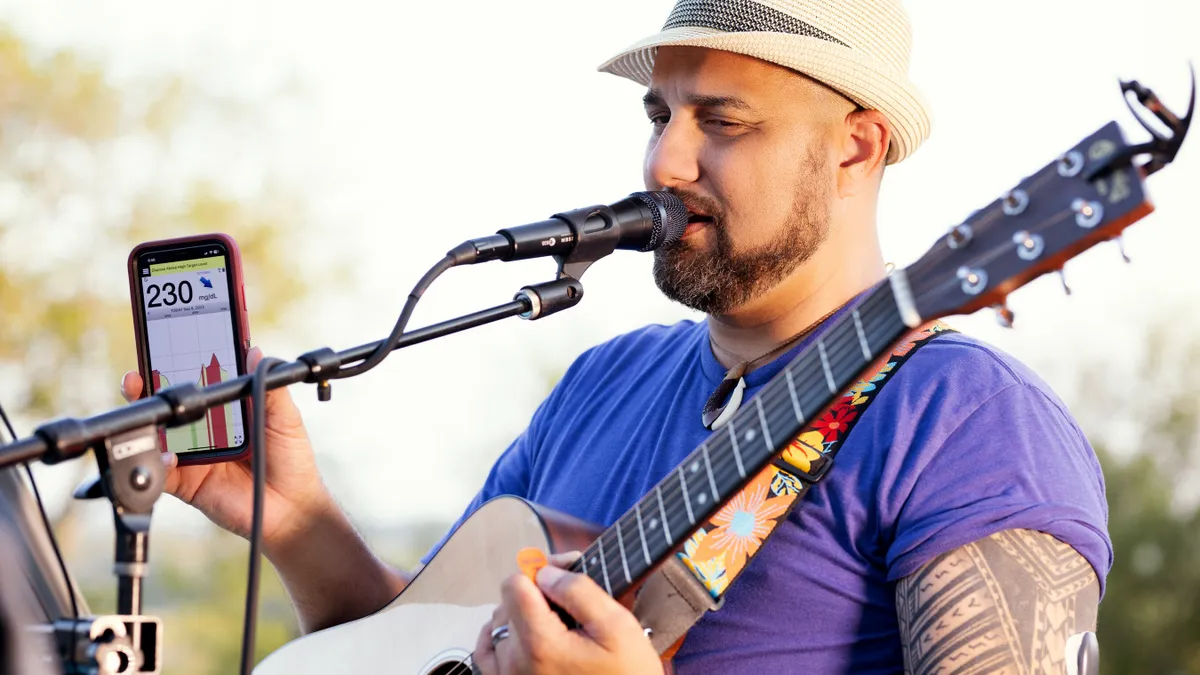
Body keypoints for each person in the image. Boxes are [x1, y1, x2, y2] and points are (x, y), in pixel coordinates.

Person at [122, 0, 1111, 672]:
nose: (664, 159)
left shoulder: (973, 428)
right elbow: (423, 651)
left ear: (854, 146)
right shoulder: (604, 381)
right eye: (659, 113)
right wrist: (291, 520)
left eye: (719, 120)